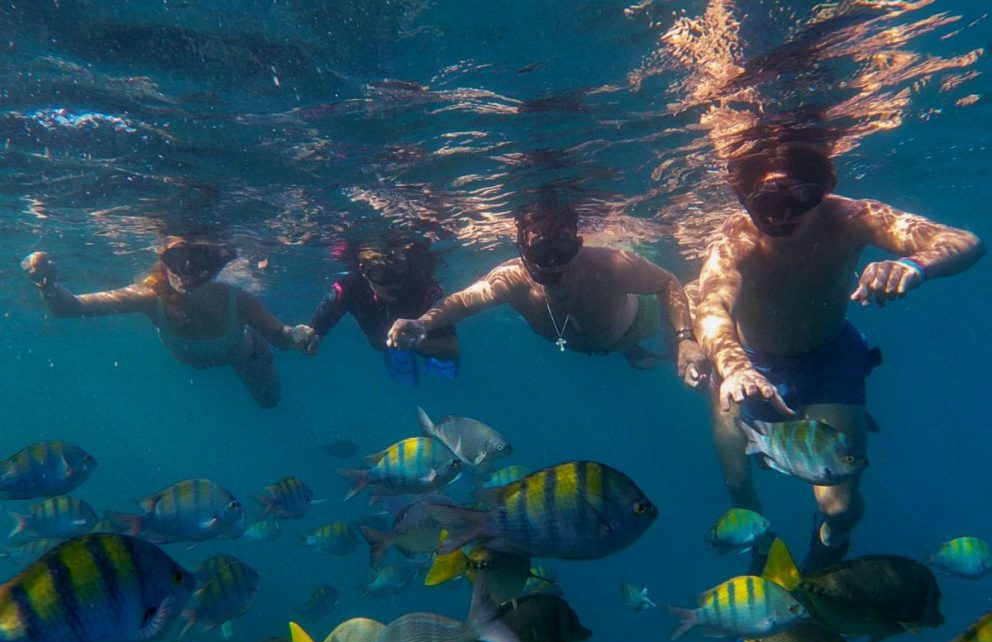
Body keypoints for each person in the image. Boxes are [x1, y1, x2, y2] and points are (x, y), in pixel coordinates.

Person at [695, 138, 984, 570]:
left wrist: (914, 265)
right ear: (742, 198)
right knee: (738, 480)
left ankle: (830, 544)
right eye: (767, 200)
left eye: (802, 196)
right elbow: (711, 306)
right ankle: (760, 547)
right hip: (746, 365)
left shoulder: (852, 217)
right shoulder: (734, 242)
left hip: (828, 360)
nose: (784, 214)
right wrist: (735, 367)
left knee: (839, 506)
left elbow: (963, 240)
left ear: (824, 188)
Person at [386, 195, 709, 387]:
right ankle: (633, 353)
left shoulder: (610, 265)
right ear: (521, 248)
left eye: (564, 250)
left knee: (691, 296)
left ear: (579, 245)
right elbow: (463, 302)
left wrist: (685, 340)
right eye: (542, 251)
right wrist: (424, 323)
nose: (553, 264)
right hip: (599, 339)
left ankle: (647, 342)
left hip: (639, 322)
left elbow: (666, 282)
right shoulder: (511, 278)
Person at [22, 236, 316, 408]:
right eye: (177, 258)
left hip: (249, 357)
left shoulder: (238, 300)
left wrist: (296, 336)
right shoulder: (150, 296)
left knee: (269, 403)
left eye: (198, 259)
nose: (187, 269)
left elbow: (278, 336)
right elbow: (70, 309)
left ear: (214, 265)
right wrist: (48, 287)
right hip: (210, 358)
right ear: (163, 261)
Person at [306, 232, 459, 385]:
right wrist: (311, 332)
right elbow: (319, 321)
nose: (393, 292)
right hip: (381, 342)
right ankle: (401, 354)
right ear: (364, 273)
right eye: (385, 286)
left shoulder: (426, 288)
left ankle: (416, 356)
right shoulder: (350, 286)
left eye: (398, 284)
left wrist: (419, 343)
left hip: (423, 339)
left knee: (442, 366)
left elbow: (452, 349)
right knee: (390, 352)